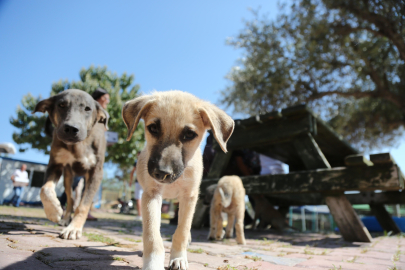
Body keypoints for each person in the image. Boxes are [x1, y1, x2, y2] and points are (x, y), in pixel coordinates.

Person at [129, 153, 142, 219]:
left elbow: (132, 172)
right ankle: (142, 215)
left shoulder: (137, 162)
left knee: (139, 199)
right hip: (146, 182)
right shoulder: (147, 161)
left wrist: (130, 181)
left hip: (139, 182)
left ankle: (140, 215)